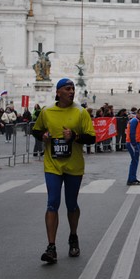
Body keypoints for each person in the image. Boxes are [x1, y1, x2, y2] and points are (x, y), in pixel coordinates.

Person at [32, 78, 96, 264]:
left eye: (73, 89)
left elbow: (91, 138)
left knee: (71, 204)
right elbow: (36, 130)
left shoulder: (81, 112)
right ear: (58, 92)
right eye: (67, 89)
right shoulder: (47, 111)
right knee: (52, 203)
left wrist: (74, 136)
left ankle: (73, 236)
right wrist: (43, 135)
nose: (71, 91)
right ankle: (51, 247)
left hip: (74, 165)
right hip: (53, 165)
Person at [125, 107, 140, 186]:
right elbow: (132, 133)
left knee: (135, 161)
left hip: (135, 143)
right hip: (133, 143)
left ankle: (132, 178)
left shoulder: (138, 121)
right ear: (137, 114)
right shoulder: (135, 121)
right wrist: (134, 145)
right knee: (134, 161)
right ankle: (131, 179)